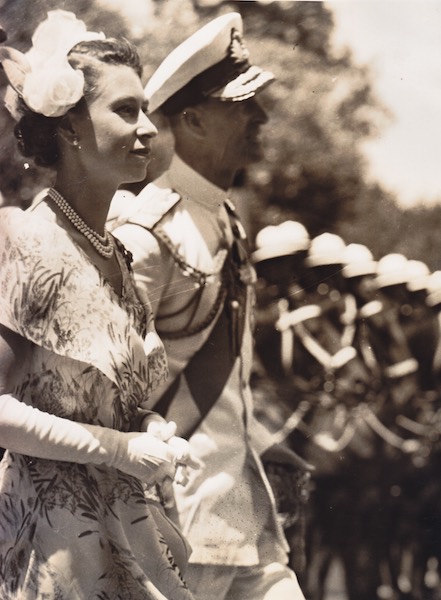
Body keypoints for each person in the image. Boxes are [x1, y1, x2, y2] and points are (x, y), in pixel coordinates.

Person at [109, 12, 308, 600]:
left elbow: (224, 384)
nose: (261, 118)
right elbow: (107, 391)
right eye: (243, 105)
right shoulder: (145, 231)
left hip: (241, 513)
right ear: (192, 119)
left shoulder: (225, 219)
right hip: (171, 521)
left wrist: (269, 444)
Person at [0, 10, 198, 600]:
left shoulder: (121, 256)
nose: (148, 131)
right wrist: (119, 448)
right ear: (68, 129)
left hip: (126, 527)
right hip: (51, 545)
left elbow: (114, 405)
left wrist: (154, 430)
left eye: (146, 111)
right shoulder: (23, 241)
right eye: (125, 110)